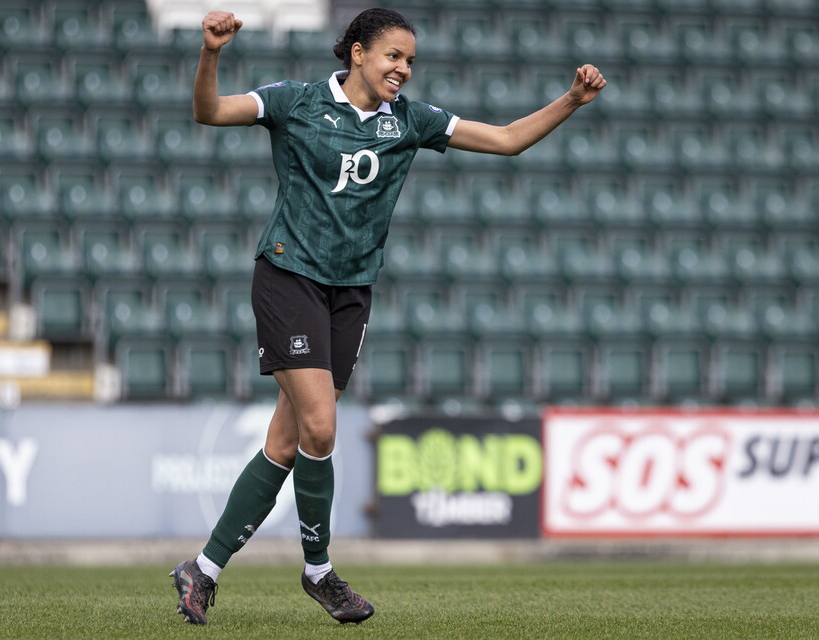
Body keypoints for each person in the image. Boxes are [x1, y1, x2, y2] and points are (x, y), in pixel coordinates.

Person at [169, 7, 606, 626]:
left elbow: (506, 141)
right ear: (356, 54)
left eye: (409, 61)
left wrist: (571, 100)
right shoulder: (294, 102)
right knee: (320, 429)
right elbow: (208, 112)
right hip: (289, 276)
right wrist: (211, 54)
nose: (402, 69)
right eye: (393, 56)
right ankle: (319, 571)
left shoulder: (411, 121)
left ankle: (202, 570)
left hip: (351, 291)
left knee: (288, 441)